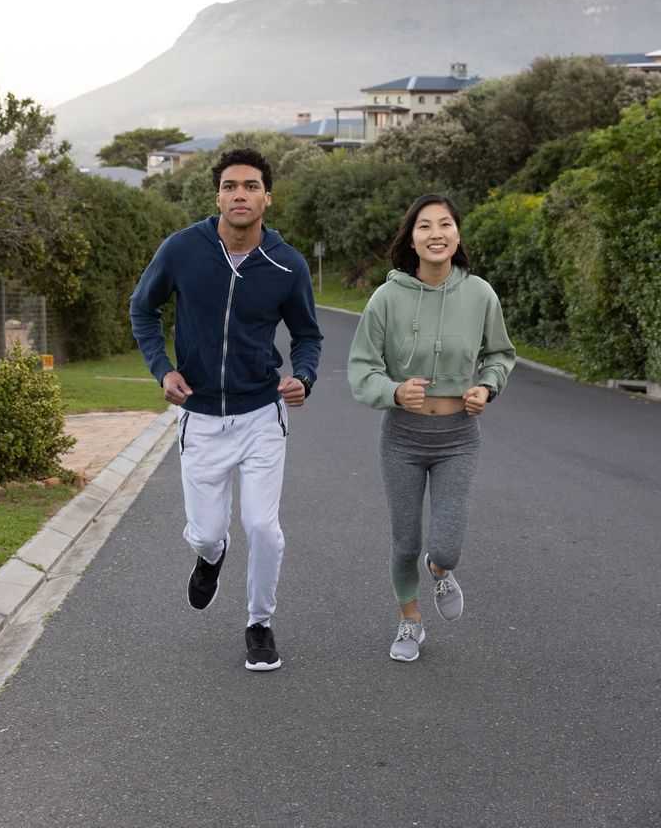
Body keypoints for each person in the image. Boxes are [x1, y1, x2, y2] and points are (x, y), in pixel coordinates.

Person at [130, 147, 322, 671]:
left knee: (263, 526)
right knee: (210, 531)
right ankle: (210, 557)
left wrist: (302, 377)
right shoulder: (182, 250)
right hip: (200, 415)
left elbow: (307, 335)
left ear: (267, 198)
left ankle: (259, 623)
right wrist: (161, 369)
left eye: (252, 186)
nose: (241, 194)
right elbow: (143, 309)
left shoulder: (287, 263)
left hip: (262, 413)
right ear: (218, 195)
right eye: (231, 186)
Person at [347, 193, 515, 662]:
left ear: (457, 235)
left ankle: (440, 570)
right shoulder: (386, 298)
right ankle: (410, 622)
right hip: (402, 436)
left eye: (445, 224)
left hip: (459, 437)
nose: (436, 233)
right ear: (413, 239)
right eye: (425, 226)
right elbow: (362, 368)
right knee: (404, 542)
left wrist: (487, 387)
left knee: (445, 546)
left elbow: (500, 353)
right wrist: (394, 392)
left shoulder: (480, 294)